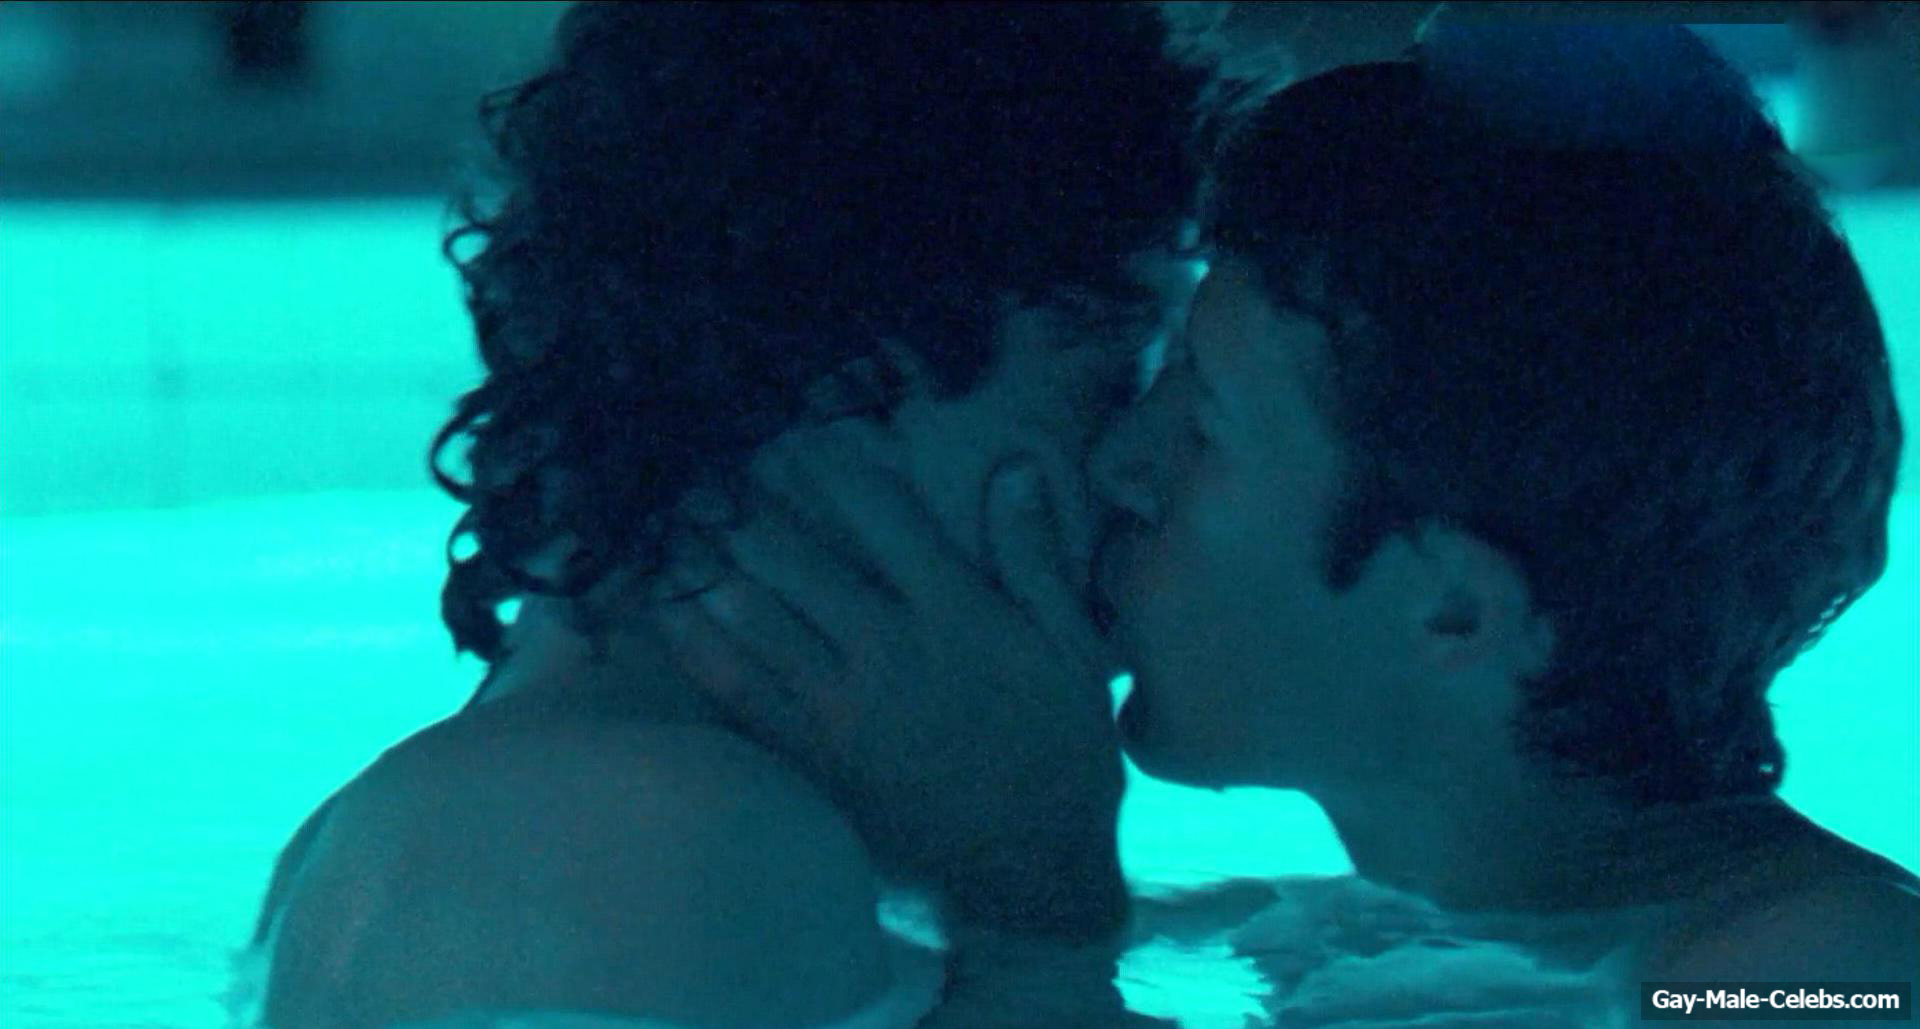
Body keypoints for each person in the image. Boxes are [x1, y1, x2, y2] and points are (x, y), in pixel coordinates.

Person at [668, 17, 1919, 1026]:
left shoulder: (1821, 977)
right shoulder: (1324, 932)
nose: (1118, 464)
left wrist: (1037, 928)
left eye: (1200, 425)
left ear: (1453, 611)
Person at [249, 3, 1211, 1026]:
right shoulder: (638, 840)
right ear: (824, 378)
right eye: (1105, 379)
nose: (1136, 465)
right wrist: (1042, 924)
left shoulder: (561, 803)